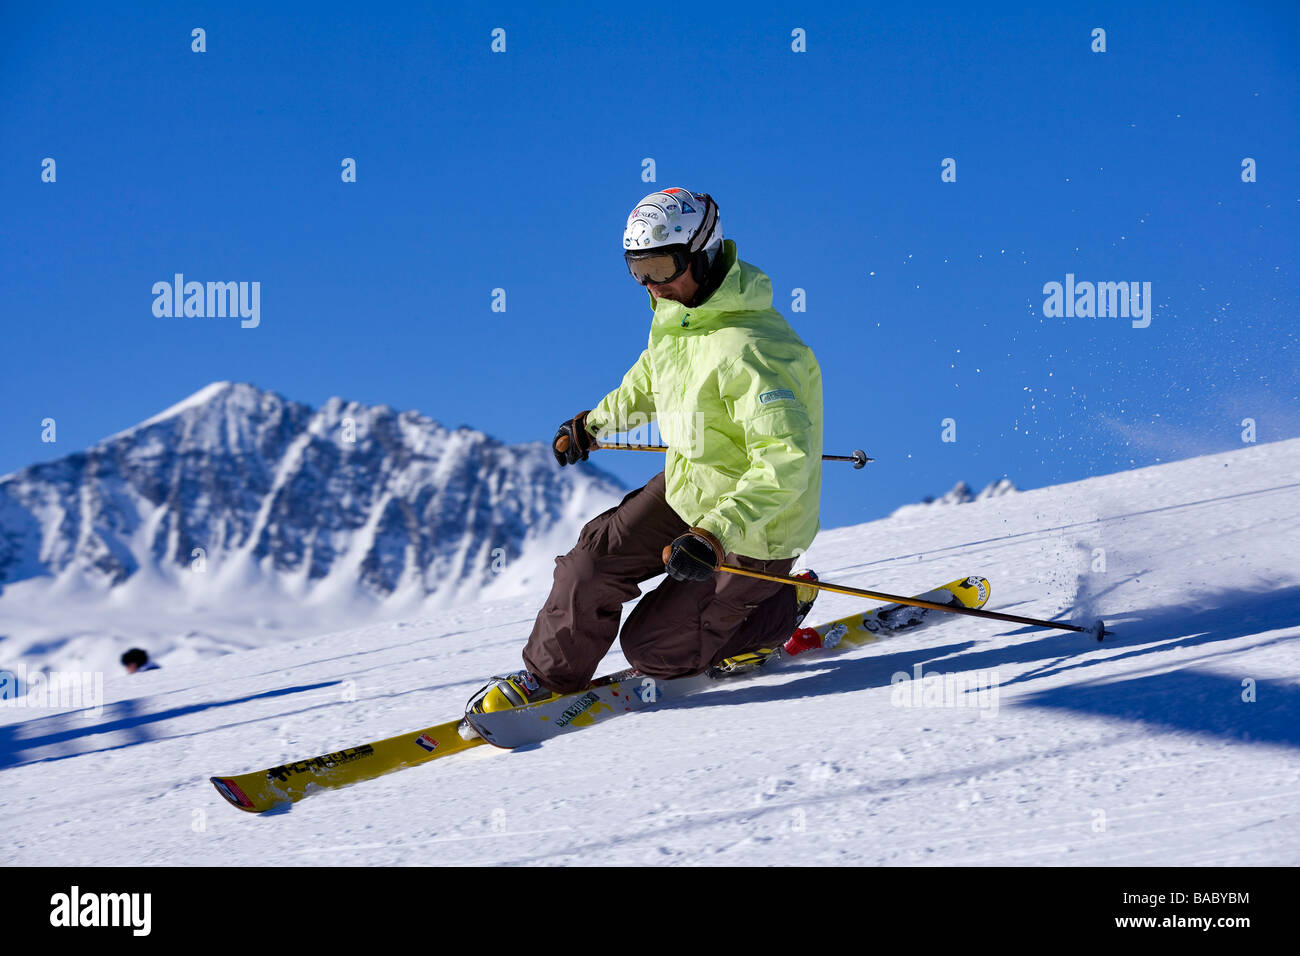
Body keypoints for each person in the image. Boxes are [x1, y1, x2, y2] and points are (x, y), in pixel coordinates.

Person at [468, 188, 823, 714]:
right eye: (638, 272)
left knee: (653, 647)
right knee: (588, 567)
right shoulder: (677, 316)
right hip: (688, 489)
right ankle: (547, 682)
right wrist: (594, 424)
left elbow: (786, 460)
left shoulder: (756, 349)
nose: (652, 285)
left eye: (662, 266)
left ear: (703, 252)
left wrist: (715, 535)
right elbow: (651, 379)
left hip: (754, 526)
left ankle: (774, 607)